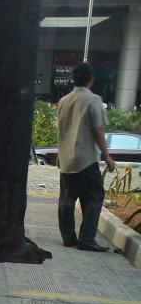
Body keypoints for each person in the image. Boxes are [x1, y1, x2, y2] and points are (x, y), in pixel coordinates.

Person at [57, 62, 115, 252]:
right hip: (86, 158)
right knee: (94, 197)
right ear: (91, 79)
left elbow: (62, 130)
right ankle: (87, 239)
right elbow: (98, 129)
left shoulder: (64, 100)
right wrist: (107, 156)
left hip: (66, 158)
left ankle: (68, 238)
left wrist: (59, 154)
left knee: (67, 198)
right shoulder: (93, 100)